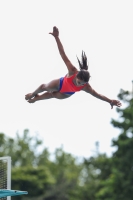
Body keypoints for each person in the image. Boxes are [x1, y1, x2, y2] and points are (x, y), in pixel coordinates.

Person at [25, 26, 122, 109]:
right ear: (76, 76)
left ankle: (36, 99)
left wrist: (110, 101)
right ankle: (33, 94)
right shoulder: (72, 70)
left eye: (82, 84)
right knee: (44, 87)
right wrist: (57, 37)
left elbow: (98, 95)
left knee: (52, 95)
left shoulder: (86, 87)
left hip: (65, 93)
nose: (79, 85)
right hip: (61, 83)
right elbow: (62, 54)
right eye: (79, 82)